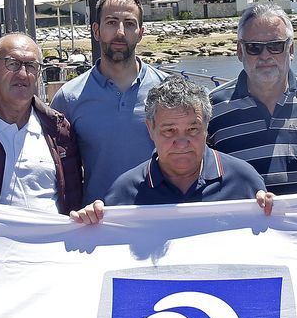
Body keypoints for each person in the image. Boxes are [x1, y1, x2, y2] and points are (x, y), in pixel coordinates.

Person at [71, 76, 274, 222]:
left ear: (206, 126)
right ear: (150, 130)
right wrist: (90, 226)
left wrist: (274, 212)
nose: (182, 142)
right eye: (169, 131)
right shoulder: (123, 193)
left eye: (193, 129)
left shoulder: (245, 181)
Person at [207, 4, 297, 195]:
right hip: (242, 224)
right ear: (240, 51)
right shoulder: (211, 109)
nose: (265, 56)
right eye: (254, 48)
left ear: (290, 49)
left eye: (276, 46)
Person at [50, 0, 167, 206]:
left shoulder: (168, 90)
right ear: (96, 30)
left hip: (159, 217)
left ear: (140, 32)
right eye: (112, 22)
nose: (120, 32)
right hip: (97, 223)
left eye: (130, 24)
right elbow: (54, 166)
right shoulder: (69, 98)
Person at [0, 33, 83, 214]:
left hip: (50, 241)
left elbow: (73, 199)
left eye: (31, 66)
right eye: (13, 64)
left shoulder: (58, 129)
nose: (23, 74)